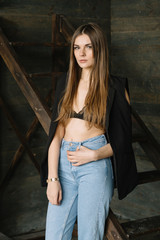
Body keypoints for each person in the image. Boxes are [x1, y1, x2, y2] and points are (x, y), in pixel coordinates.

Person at [40, 23, 138, 240]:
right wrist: (52, 179)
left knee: (89, 236)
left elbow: (123, 141)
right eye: (76, 47)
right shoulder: (66, 82)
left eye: (88, 47)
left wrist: (95, 154)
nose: (81, 53)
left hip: (94, 167)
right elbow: (56, 135)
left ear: (99, 50)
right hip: (63, 165)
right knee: (54, 236)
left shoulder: (115, 87)